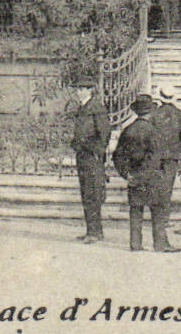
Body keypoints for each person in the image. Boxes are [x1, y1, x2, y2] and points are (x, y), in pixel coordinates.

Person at [114, 94, 173, 253]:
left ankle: (135, 244)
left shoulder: (128, 130)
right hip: (151, 177)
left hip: (134, 176)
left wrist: (127, 174)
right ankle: (160, 244)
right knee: (158, 210)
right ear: (150, 112)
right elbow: (156, 156)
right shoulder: (153, 131)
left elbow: (118, 156)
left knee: (136, 211)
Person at [150, 85, 181, 239]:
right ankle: (165, 218)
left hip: (156, 156)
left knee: (157, 186)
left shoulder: (153, 115)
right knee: (167, 187)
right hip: (173, 157)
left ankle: (158, 217)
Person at [69, 77, 110, 243]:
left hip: (92, 157)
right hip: (83, 156)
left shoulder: (96, 108)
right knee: (86, 193)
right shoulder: (83, 107)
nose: (78, 92)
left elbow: (104, 133)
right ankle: (92, 230)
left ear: (90, 90)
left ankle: (94, 232)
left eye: (82, 89)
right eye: (77, 89)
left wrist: (96, 151)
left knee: (92, 193)